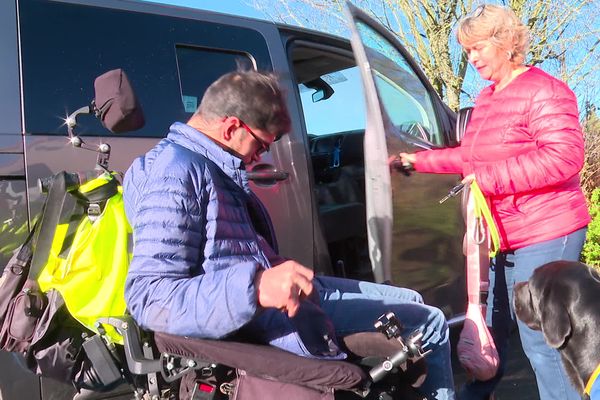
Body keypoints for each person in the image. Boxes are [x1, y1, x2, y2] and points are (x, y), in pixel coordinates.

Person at [122, 69, 455, 399]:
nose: (263, 155)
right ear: (232, 127)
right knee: (430, 324)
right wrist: (255, 287)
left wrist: (272, 268)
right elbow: (149, 297)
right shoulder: (174, 172)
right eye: (263, 143)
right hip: (260, 315)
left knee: (411, 299)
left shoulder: (212, 163)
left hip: (277, 298)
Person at [399, 4, 590, 400]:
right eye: (467, 52)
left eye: (478, 47)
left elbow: (565, 157)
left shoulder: (544, 90)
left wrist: (488, 179)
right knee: (491, 326)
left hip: (548, 228)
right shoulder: (486, 99)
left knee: (542, 339)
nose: (472, 59)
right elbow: (471, 159)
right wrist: (417, 160)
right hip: (503, 233)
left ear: (506, 43)